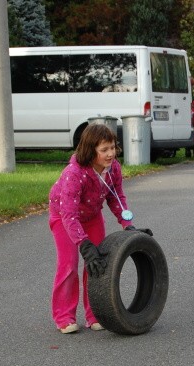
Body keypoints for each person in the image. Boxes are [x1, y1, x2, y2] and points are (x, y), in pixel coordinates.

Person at [48, 123, 135, 334]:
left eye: (112, 148)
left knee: (97, 264)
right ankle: (64, 316)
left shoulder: (113, 168)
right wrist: (83, 244)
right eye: (104, 150)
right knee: (69, 264)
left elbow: (117, 198)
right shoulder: (74, 173)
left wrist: (127, 224)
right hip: (64, 217)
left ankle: (94, 314)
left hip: (92, 216)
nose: (110, 154)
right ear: (90, 149)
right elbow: (68, 214)